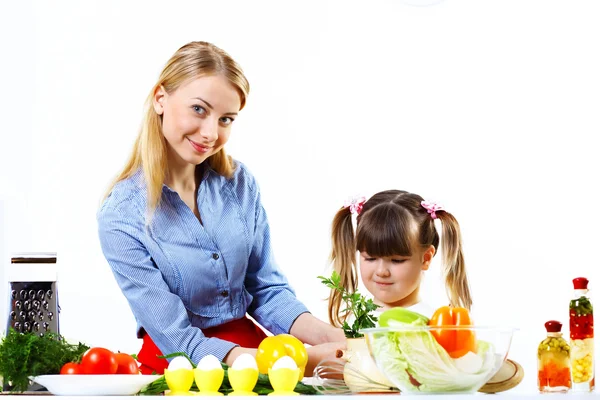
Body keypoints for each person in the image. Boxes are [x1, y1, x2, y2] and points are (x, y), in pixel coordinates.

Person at [97, 41, 344, 375]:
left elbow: (266, 290)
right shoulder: (121, 216)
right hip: (181, 369)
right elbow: (178, 341)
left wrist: (336, 339)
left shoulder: (240, 184)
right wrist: (306, 359)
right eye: (199, 109)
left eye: (226, 119)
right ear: (160, 99)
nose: (211, 133)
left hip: (257, 352)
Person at [326, 190, 472, 325]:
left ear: (426, 258)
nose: (381, 271)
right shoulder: (353, 322)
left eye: (397, 260)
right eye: (370, 258)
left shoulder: (433, 326)